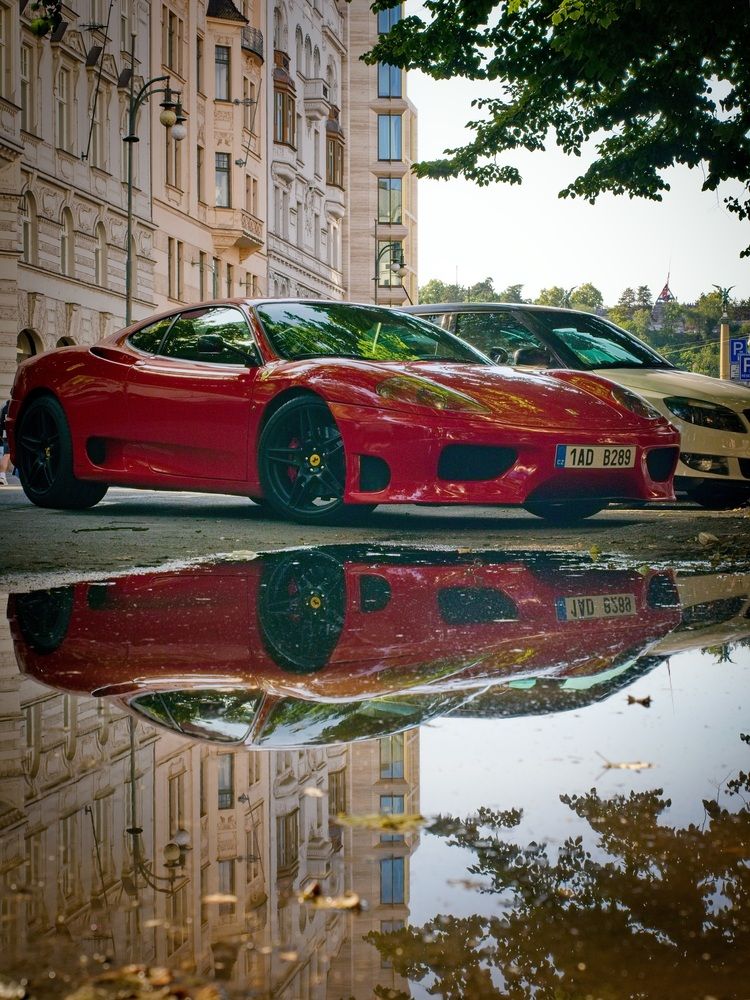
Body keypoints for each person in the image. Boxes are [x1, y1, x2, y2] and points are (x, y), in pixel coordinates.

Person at [0, 399, 10, 485]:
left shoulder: (5, 408)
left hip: (5, 434)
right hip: (14, 433)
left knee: (6, 455)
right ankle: (2, 477)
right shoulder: (15, 406)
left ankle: (2, 476)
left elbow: (1, 423)